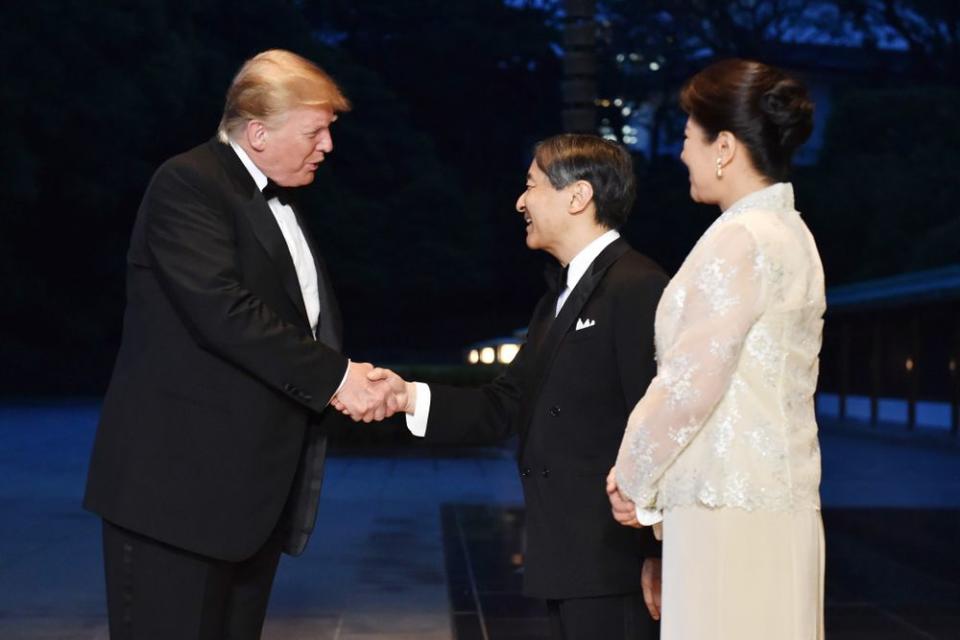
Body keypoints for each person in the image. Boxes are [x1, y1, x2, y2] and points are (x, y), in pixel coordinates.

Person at [84, 49, 401, 639]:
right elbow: (225, 313)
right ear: (257, 132)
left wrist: (349, 375)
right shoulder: (188, 182)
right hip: (175, 500)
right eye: (316, 130)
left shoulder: (273, 199)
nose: (328, 146)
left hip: (247, 502)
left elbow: (299, 324)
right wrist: (339, 379)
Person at [353, 134, 668, 640]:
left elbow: (658, 425)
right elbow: (505, 403)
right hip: (566, 555)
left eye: (531, 185)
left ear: (577, 196)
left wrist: (659, 550)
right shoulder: (554, 302)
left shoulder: (638, 286)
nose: (520, 202)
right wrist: (406, 395)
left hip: (615, 564)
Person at [607, 58, 825, 639]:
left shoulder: (741, 238)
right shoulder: (791, 233)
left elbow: (690, 383)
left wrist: (632, 475)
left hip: (725, 509)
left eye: (687, 138)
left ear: (723, 146)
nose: (682, 154)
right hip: (775, 498)